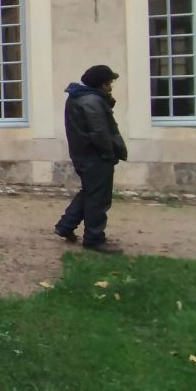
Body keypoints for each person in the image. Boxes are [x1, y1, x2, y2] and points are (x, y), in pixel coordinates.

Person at [54, 65, 128, 254]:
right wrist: (108, 154)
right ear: (100, 84)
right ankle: (94, 238)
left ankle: (66, 225)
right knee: (98, 198)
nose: (110, 87)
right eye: (108, 83)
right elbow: (100, 132)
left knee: (90, 192)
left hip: (84, 154)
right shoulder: (91, 102)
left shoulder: (80, 98)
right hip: (94, 156)